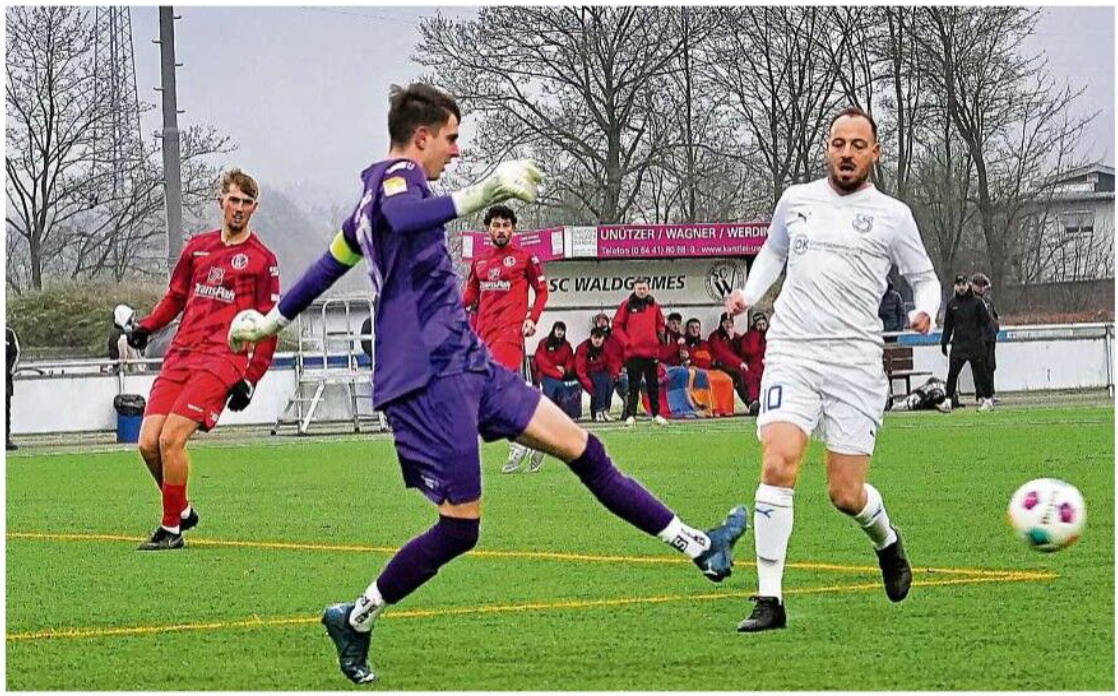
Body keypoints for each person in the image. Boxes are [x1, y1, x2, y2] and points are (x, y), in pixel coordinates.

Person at [228, 83, 747, 684]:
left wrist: (272, 320)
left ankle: (699, 545)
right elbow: (402, 214)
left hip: (469, 364)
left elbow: (327, 265)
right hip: (427, 378)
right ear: (421, 137)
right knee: (461, 528)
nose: (455, 150)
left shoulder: (370, 205)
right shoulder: (396, 183)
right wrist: (482, 192)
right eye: (450, 138)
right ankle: (358, 616)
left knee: (585, 449)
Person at [724, 106, 941, 632]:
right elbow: (771, 256)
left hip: (855, 364)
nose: (846, 153)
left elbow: (926, 280)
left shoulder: (893, 215)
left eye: (857, 145)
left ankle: (887, 542)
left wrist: (925, 310)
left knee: (845, 494)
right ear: (827, 147)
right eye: (838, 143)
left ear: (874, 153)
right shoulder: (795, 201)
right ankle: (770, 599)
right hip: (792, 351)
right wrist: (748, 296)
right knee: (778, 463)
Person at [127, 168, 280, 551]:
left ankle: (170, 530)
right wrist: (147, 327)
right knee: (147, 443)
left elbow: (269, 325)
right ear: (221, 202)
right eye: (234, 200)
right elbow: (175, 298)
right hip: (181, 355)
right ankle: (180, 509)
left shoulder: (262, 260)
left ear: (254, 208)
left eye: (247, 203)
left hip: (222, 360)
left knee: (171, 440)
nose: (239, 208)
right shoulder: (198, 248)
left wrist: (251, 377)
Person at [463, 204, 550, 473]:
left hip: (510, 334)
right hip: (483, 338)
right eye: (496, 225)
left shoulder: (525, 258)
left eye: (506, 225)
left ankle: (520, 442)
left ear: (513, 229)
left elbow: (542, 291)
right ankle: (536, 438)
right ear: (488, 228)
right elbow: (469, 296)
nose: (501, 230)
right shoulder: (479, 262)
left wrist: (531, 319)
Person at [613, 279, 668, 427]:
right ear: (634, 289)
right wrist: (627, 342)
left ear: (648, 289)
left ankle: (656, 414)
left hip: (651, 353)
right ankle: (631, 415)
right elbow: (616, 326)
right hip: (634, 353)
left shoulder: (654, 305)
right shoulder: (627, 305)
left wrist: (660, 336)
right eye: (639, 289)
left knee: (653, 386)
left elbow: (661, 324)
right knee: (633, 386)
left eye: (644, 288)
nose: (642, 291)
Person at [940, 274, 994, 412]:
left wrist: (989, 340)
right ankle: (947, 401)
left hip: (975, 345)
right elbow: (948, 326)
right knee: (952, 373)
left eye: (963, 284)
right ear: (955, 286)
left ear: (968, 285)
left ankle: (988, 400)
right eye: (958, 284)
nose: (961, 287)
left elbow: (987, 322)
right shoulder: (952, 305)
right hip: (958, 345)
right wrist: (944, 342)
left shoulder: (977, 303)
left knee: (981, 374)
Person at [532, 322, 576, 434]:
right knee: (553, 386)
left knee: (572, 386)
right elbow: (542, 362)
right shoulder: (544, 343)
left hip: (562, 375)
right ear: (554, 330)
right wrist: (558, 372)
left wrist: (566, 370)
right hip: (546, 374)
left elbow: (570, 360)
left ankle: (568, 416)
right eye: (558, 329)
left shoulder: (567, 345)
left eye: (562, 330)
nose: (560, 332)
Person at [708, 312, 750, 406]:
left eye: (730, 323)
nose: (728, 325)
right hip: (719, 366)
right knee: (738, 377)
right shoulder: (715, 336)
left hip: (733, 366)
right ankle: (749, 403)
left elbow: (744, 350)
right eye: (725, 322)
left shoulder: (736, 336)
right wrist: (739, 363)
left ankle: (755, 400)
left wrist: (733, 340)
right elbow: (722, 354)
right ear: (721, 323)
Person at [970, 272, 1000, 401]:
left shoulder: (988, 301)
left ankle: (990, 393)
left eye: (983, 285)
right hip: (977, 339)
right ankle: (981, 394)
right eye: (979, 285)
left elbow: (994, 316)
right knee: (979, 368)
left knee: (990, 366)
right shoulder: (970, 301)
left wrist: (995, 327)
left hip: (990, 338)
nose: (981, 288)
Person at [575, 328, 614, 422]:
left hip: (602, 372)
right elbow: (580, 370)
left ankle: (606, 410)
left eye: (599, 338)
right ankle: (598, 411)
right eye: (595, 338)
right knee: (599, 381)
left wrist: (615, 373)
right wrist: (589, 387)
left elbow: (612, 363)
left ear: (603, 338)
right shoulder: (583, 348)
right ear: (591, 337)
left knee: (609, 380)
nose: (597, 340)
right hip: (586, 374)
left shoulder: (607, 347)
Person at [738, 312, 769, 415]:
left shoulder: (771, 337)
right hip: (753, 366)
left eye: (763, 324)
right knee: (751, 380)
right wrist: (756, 335)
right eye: (759, 325)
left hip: (768, 365)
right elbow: (751, 350)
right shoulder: (750, 336)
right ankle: (755, 403)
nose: (761, 327)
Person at [886, 376, 950, 413]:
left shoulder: (936, 385)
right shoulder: (940, 390)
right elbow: (929, 399)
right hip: (914, 401)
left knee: (896, 407)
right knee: (896, 408)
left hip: (915, 397)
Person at [6, 325, 20, 451]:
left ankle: (5, 439)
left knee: (5, 410)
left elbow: (15, 354)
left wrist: (9, 372)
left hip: (5, 381)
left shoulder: (9, 333)